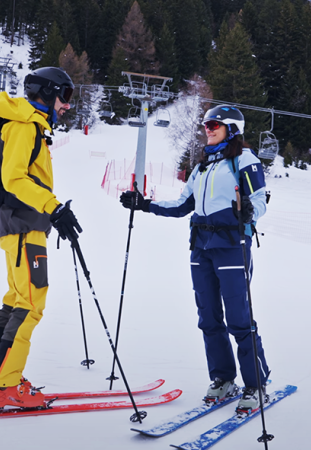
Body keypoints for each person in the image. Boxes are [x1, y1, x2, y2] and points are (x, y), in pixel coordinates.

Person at [120, 105, 270, 414]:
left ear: (232, 128)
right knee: (208, 318)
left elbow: (259, 201)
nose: (208, 128)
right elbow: (181, 204)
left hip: (231, 245)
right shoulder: (202, 166)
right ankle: (223, 379)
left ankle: (256, 384)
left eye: (214, 123)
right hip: (201, 247)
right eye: (205, 124)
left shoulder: (245, 160)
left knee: (239, 319)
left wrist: (249, 212)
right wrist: (145, 205)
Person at [0, 67, 82, 409]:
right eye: (64, 96)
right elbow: (14, 179)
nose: (66, 105)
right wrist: (54, 208)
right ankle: (5, 385)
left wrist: (52, 211)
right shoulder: (24, 125)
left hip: (23, 225)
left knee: (17, 299)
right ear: (47, 94)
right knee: (32, 304)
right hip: (23, 225)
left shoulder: (31, 126)